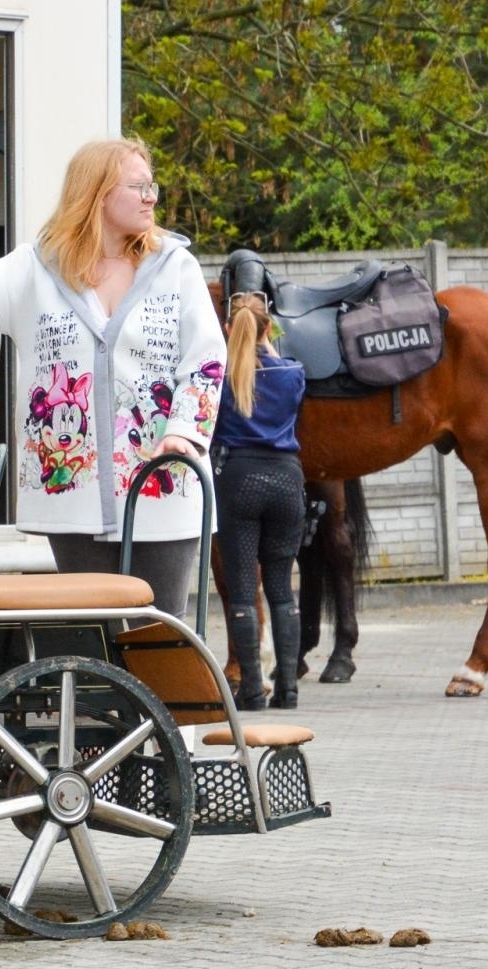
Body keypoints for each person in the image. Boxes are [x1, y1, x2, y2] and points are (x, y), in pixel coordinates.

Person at [0, 138, 226, 617]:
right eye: (139, 186)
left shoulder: (174, 266)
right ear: (98, 192)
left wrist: (184, 433)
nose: (152, 197)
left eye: (152, 186)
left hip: (162, 485)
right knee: (93, 634)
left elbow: (206, 359)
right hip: (71, 493)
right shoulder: (37, 268)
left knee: (161, 632)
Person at [211, 292, 307, 709]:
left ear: (230, 330)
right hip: (287, 480)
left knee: (242, 590)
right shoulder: (293, 373)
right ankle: (289, 688)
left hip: (238, 480)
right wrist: (264, 341)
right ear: (269, 329)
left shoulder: (220, 376)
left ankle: (252, 687)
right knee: (282, 591)